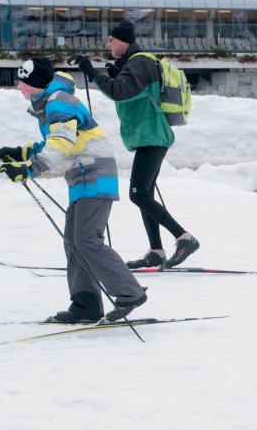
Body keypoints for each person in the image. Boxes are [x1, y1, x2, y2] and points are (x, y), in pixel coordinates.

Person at [0, 57, 147, 323]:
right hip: (82, 177)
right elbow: (56, 141)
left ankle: (130, 292)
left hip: (95, 174)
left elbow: (61, 143)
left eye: (21, 82)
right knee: (74, 241)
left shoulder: (57, 103)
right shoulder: (50, 102)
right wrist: (20, 153)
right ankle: (86, 305)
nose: (18, 87)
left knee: (87, 239)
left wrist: (29, 169)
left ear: (33, 83)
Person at [72, 21, 199, 270]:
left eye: (111, 40)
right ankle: (156, 252)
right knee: (144, 195)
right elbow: (131, 89)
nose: (108, 44)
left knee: (138, 194)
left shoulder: (139, 62)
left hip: (152, 135)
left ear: (123, 41)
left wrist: (92, 72)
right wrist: (112, 73)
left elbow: (120, 91)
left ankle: (184, 238)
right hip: (148, 136)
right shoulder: (135, 63)